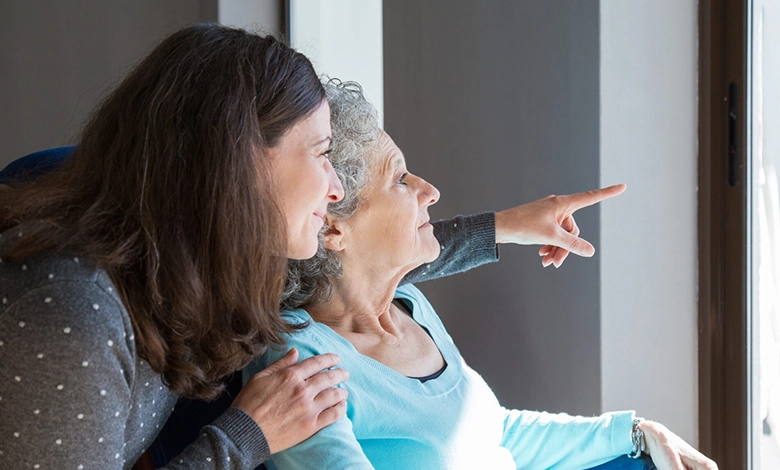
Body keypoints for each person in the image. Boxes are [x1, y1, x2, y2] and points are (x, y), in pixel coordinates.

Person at [0, 24, 624, 469]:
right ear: (238, 165)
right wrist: (245, 436)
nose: (333, 190)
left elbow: (358, 266)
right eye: (323, 156)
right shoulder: (69, 317)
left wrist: (505, 227)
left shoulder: (203, 265)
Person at [250, 81, 718, 470]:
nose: (429, 191)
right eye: (400, 180)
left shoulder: (410, 307)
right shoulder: (303, 360)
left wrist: (633, 433)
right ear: (333, 225)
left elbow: (492, 433)